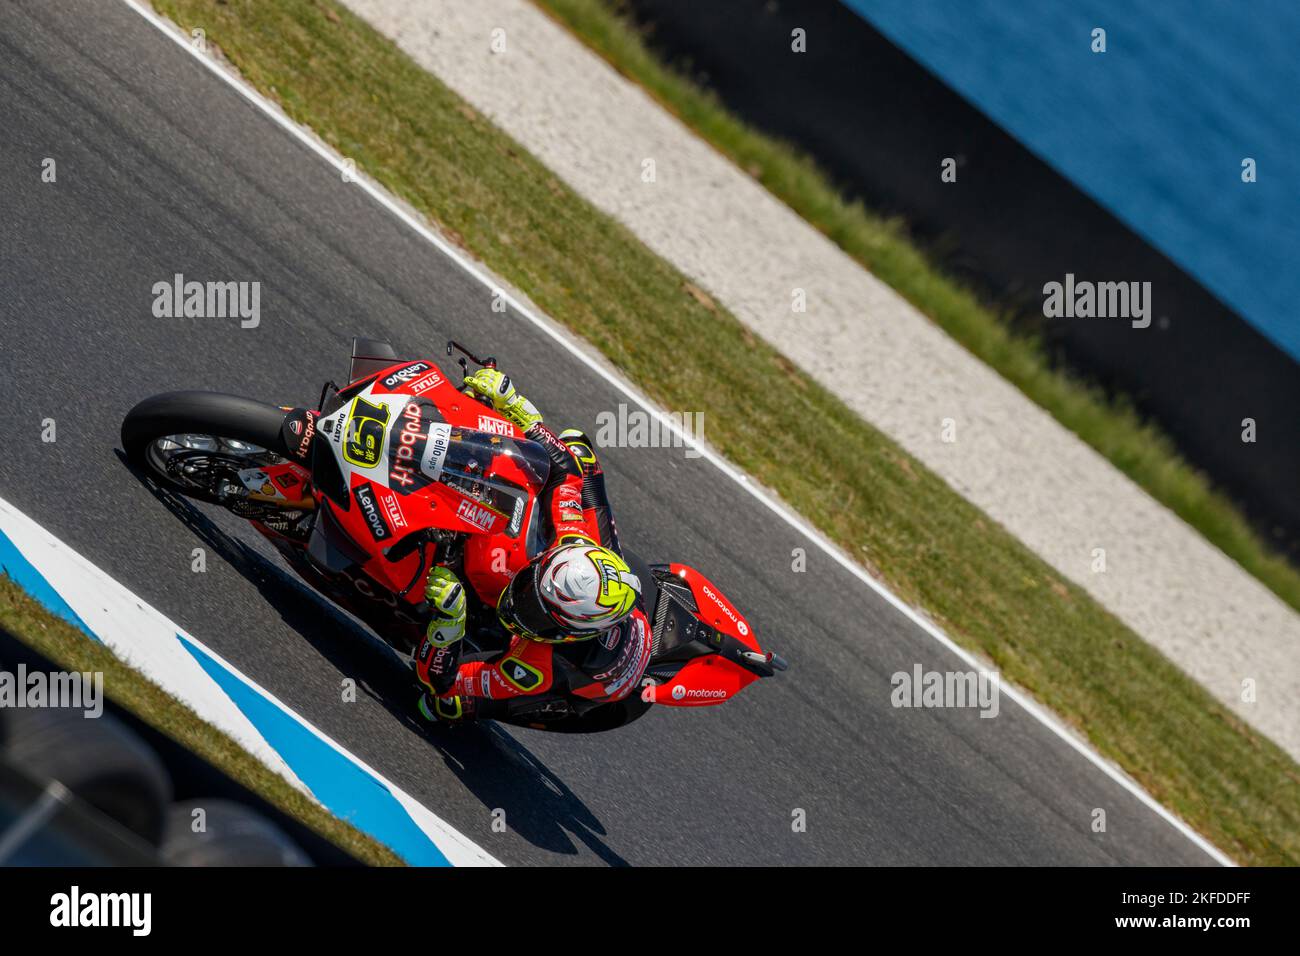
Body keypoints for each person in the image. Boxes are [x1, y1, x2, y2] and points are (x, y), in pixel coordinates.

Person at [410, 368, 651, 723]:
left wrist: (451, 621)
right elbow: (564, 470)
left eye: (537, 612)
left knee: (440, 707)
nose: (520, 602)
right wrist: (515, 404)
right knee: (579, 449)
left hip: (586, 681)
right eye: (530, 587)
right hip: (609, 573)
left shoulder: (535, 666)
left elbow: (442, 681)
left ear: (564, 635)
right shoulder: (574, 538)